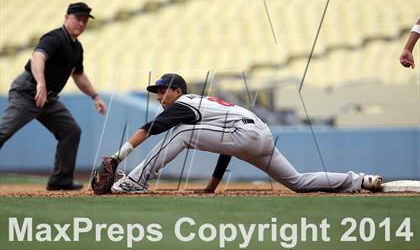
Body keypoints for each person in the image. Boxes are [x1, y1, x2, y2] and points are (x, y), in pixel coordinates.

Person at [108, 73, 382, 194]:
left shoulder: (184, 104)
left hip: (244, 134)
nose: (158, 96)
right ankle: (360, 181)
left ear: (177, 90)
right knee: (298, 182)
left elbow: (148, 130)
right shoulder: (202, 105)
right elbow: (226, 144)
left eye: (162, 90)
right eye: (156, 91)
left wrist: (117, 158)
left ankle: (136, 181)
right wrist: (213, 186)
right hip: (258, 134)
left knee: (181, 133)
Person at [0, 2, 107, 191]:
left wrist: (95, 96)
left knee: (71, 131)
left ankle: (61, 180)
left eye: (85, 21)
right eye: (78, 19)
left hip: (49, 98)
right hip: (28, 91)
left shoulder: (77, 48)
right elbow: (38, 57)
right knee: (4, 132)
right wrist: (41, 82)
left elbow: (78, 75)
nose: (81, 24)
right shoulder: (55, 37)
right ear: (66, 18)